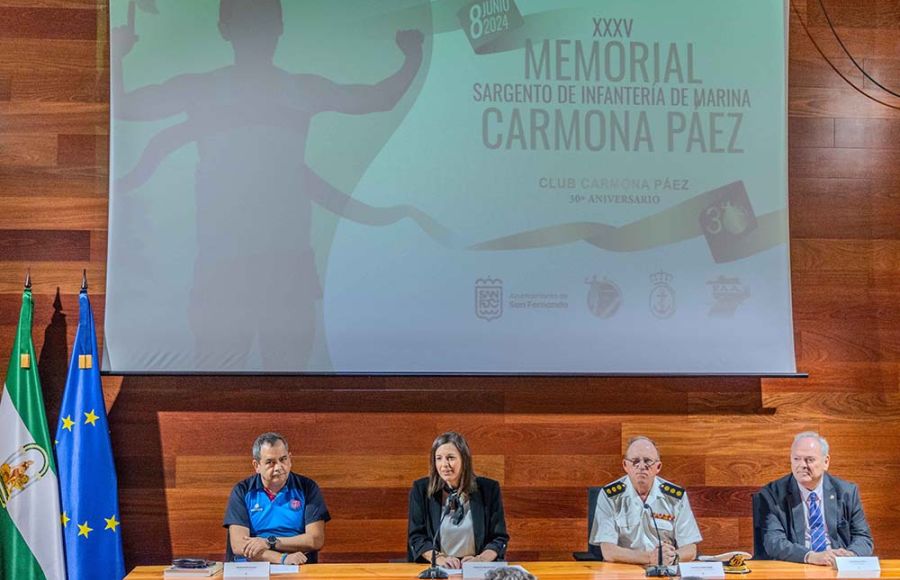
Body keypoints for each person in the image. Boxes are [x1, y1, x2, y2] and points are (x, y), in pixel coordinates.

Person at [758, 431, 873, 565]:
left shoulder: (846, 492)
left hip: (836, 567)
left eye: (809, 459)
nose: (802, 465)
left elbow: (863, 537)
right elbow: (774, 542)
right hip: (797, 566)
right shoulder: (772, 494)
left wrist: (849, 556)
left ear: (826, 462)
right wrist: (811, 556)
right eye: (796, 459)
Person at [589, 436, 701, 566]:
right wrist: (651, 558)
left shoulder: (675, 497)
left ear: (658, 467)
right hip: (623, 571)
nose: (641, 466)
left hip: (664, 571)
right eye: (635, 461)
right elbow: (609, 552)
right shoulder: (610, 496)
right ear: (625, 465)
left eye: (647, 461)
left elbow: (690, 549)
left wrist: (672, 557)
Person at [223, 432, 330, 564]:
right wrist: (282, 558)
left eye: (283, 459)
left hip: (297, 564)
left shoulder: (307, 487)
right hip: (254, 566)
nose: (279, 467)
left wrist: (269, 542)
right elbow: (239, 545)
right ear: (257, 466)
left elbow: (315, 540)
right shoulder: (243, 490)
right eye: (270, 462)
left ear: (290, 459)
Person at [408, 432, 509, 568]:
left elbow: (499, 538)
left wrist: (481, 559)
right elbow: (416, 537)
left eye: (450, 458)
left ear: (464, 460)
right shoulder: (421, 489)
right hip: (439, 567)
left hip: (476, 567)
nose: (444, 464)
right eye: (438, 458)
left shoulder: (489, 489)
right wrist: (438, 559)